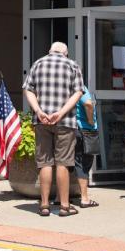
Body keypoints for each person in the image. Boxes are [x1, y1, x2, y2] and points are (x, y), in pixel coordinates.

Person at [23, 41, 85, 217]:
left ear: (50, 51)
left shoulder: (38, 63)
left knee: (45, 163)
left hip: (42, 121)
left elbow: (28, 90)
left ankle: (44, 205)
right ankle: (64, 206)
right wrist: (61, 112)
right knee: (63, 163)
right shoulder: (73, 65)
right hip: (65, 121)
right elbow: (78, 93)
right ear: (65, 53)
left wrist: (39, 111)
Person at [74, 87, 99, 208]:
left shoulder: (64, 87)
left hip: (69, 129)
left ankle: (59, 197)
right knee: (83, 163)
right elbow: (88, 104)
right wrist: (91, 121)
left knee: (65, 163)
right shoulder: (81, 88)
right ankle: (84, 198)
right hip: (84, 129)